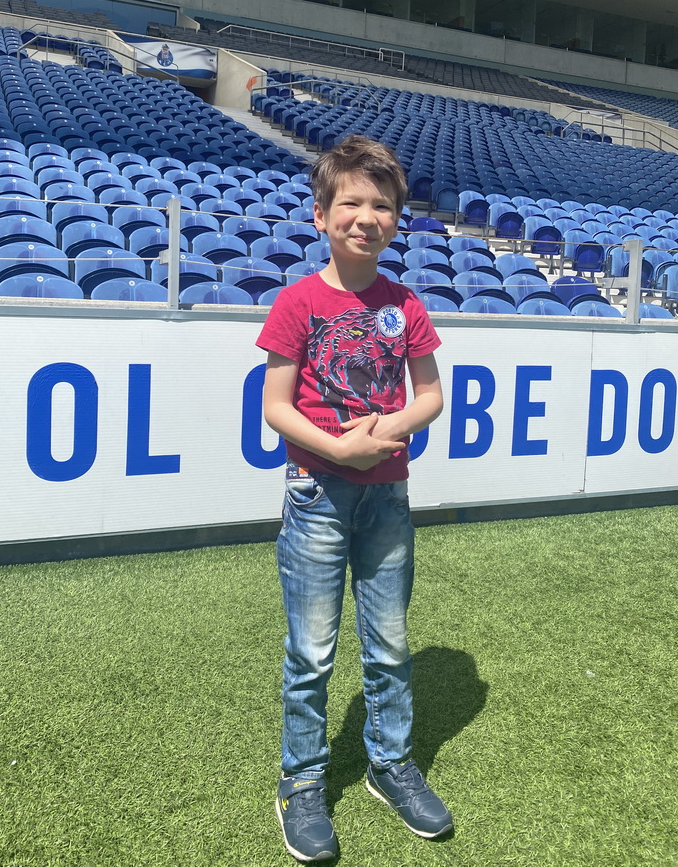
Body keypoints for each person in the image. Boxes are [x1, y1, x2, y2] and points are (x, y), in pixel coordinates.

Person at [256, 135, 453, 862]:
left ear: (397, 218)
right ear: (321, 216)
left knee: (391, 642)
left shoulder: (406, 304)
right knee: (311, 651)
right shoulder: (298, 301)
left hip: (388, 498)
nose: (365, 216)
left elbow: (431, 394)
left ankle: (390, 764)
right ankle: (301, 781)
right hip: (316, 492)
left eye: (381, 205)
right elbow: (276, 406)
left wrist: (391, 427)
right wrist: (338, 448)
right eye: (351, 203)